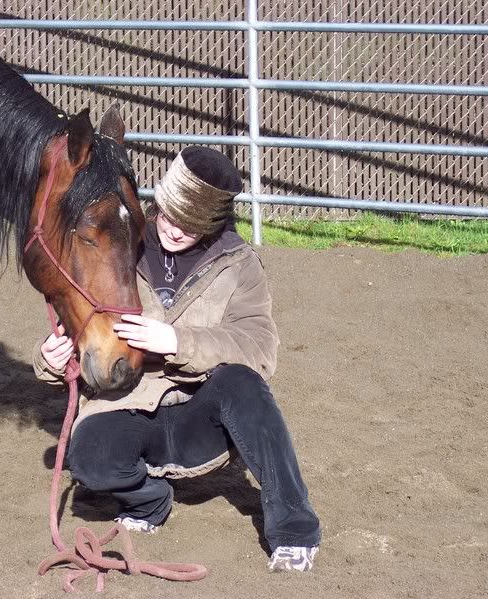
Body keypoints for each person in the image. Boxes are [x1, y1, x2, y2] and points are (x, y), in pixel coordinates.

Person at [32, 146, 321, 572]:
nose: (171, 229)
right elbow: (81, 321)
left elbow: (259, 346)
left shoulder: (239, 265)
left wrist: (176, 341)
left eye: (187, 225)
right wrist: (52, 359)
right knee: (88, 456)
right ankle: (149, 501)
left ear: (212, 223)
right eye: (167, 215)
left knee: (247, 386)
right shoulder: (119, 241)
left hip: (198, 408)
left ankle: (294, 530)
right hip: (127, 401)